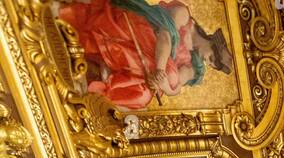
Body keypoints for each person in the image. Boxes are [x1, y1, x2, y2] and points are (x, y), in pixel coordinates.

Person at [58, 1, 233, 111]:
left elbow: (176, 85)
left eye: (211, 64)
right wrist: (159, 70)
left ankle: (98, 88)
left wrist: (163, 85)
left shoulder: (191, 61)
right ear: (212, 43)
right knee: (147, 68)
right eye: (210, 58)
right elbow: (164, 36)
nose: (206, 61)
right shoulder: (184, 16)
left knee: (145, 94)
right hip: (138, 27)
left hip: (151, 60)